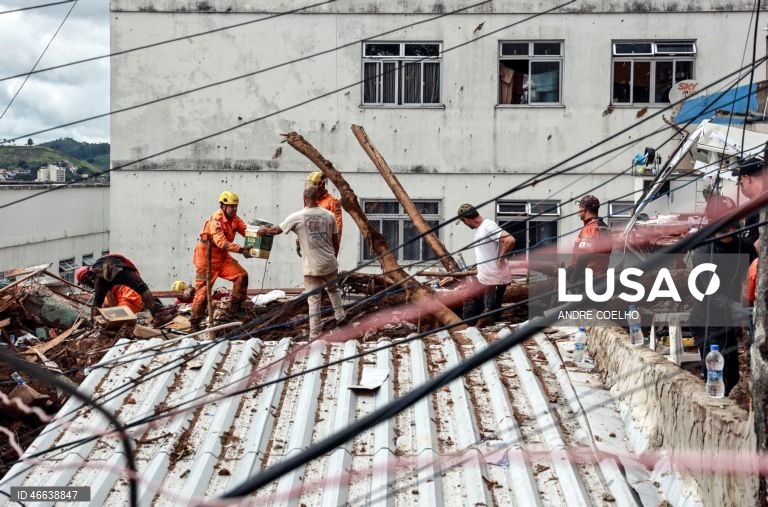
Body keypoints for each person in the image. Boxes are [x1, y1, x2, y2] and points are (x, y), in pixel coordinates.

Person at [257, 186, 346, 339]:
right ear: (318, 198)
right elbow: (335, 240)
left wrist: (264, 230)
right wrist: (333, 257)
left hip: (311, 267)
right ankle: (342, 319)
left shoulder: (297, 217)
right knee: (334, 290)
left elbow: (277, 230)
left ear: (305, 197)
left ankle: (314, 334)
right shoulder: (329, 215)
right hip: (330, 262)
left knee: (314, 299)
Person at [690, 196, 757, 395]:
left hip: (728, 319)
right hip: (706, 319)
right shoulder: (703, 251)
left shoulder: (744, 246)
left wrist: (750, 302)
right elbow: (712, 293)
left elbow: (756, 274)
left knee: (733, 375)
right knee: (717, 375)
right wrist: (735, 307)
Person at [189, 191, 256, 331]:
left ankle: (234, 312)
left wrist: (260, 234)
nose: (235, 209)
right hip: (206, 258)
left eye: (236, 206)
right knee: (202, 292)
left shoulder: (235, 219)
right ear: (223, 206)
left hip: (222, 257)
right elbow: (221, 242)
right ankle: (195, 322)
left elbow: (247, 232)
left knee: (241, 276)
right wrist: (241, 249)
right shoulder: (216, 220)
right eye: (232, 206)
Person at [456, 203, 516, 326]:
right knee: (482, 306)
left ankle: (480, 331)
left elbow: (510, 240)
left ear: (466, 219)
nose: (465, 225)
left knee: (488, 309)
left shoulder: (488, 226)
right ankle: (476, 328)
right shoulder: (481, 228)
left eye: (463, 222)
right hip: (486, 277)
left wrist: (500, 259)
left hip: (492, 279)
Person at [75, 255, 175, 326]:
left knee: (98, 300)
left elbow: (102, 301)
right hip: (119, 270)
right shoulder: (97, 273)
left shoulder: (98, 277)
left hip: (119, 273)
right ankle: (158, 316)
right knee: (142, 288)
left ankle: (94, 323)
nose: (88, 284)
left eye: (86, 281)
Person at [567, 194, 613, 290]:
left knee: (577, 305)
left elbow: (585, 253)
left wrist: (574, 276)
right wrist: (571, 268)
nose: (579, 211)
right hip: (600, 278)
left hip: (586, 280)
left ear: (584, 209)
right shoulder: (604, 227)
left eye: (580, 208)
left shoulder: (590, 228)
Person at [735, 156, 766, 243]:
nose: (741, 187)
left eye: (741, 182)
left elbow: (762, 240)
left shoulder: (762, 202)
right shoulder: (756, 204)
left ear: (747, 178)